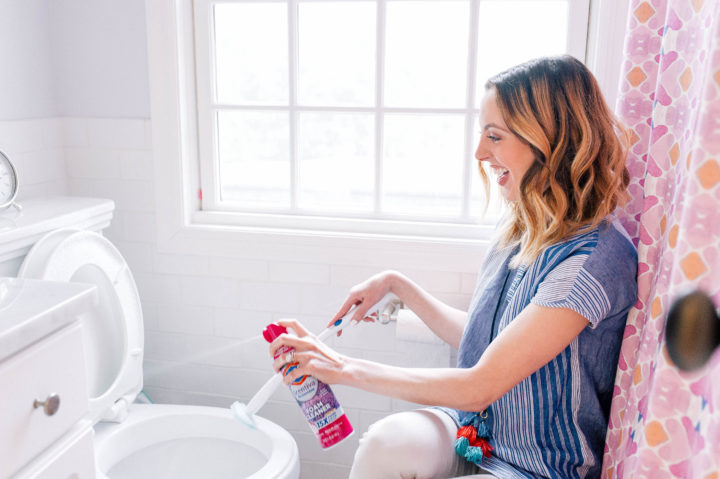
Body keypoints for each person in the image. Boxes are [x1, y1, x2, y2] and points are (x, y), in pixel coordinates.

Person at [268, 55, 638, 479]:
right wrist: (397, 284)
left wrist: (342, 368)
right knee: (385, 445)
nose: (480, 152)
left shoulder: (592, 262)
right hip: (475, 433)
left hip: (541, 465)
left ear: (549, 141)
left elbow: (482, 384)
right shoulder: (524, 229)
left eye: (495, 136)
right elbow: (490, 343)